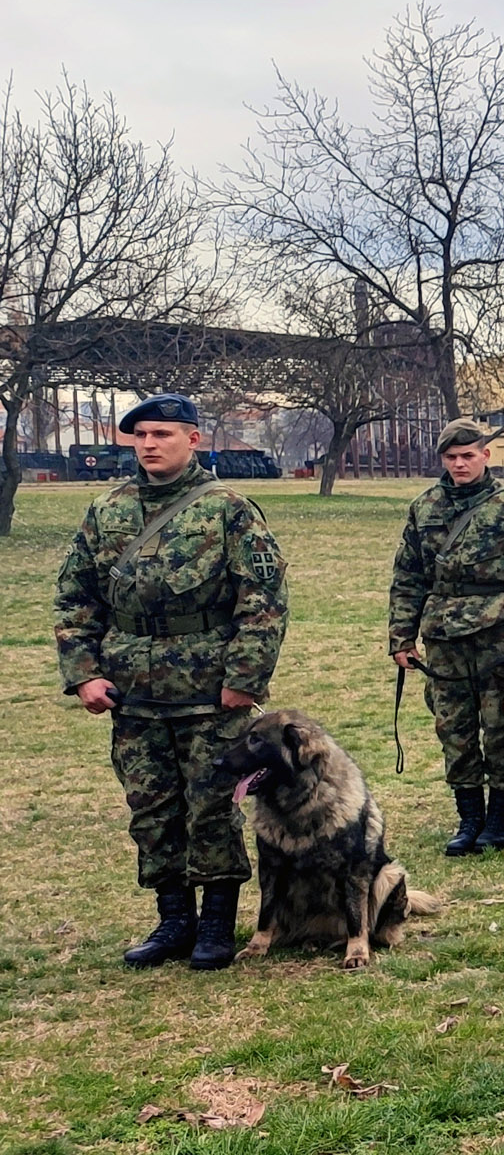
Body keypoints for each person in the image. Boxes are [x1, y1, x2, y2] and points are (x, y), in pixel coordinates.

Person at [54, 394, 289, 970]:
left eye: (162, 433)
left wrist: (244, 678)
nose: (149, 444)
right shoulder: (107, 510)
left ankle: (216, 925)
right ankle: (173, 920)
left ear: (193, 439)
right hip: (132, 692)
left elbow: (262, 602)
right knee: (151, 809)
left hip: (209, 690)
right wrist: (84, 673)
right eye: (140, 435)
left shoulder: (228, 509)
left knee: (212, 807)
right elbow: (75, 597)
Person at [389, 419, 504, 856]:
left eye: (467, 456)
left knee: (500, 727)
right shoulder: (424, 508)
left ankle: (498, 821)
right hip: (443, 638)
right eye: (451, 457)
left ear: (485, 455)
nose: (460, 464)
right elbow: (407, 576)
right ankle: (469, 820)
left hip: (497, 635)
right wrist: (401, 637)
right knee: (453, 729)